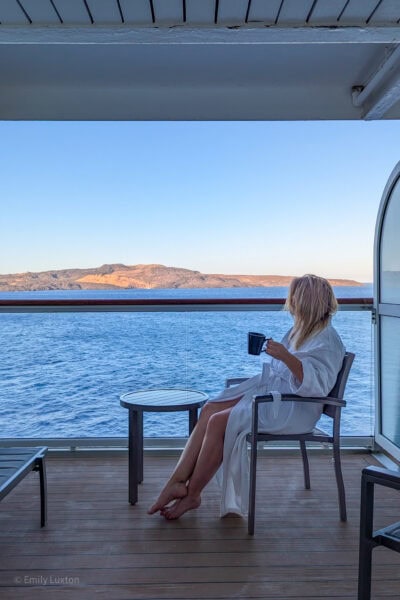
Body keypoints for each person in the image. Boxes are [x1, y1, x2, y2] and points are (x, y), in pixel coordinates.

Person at [148, 274, 346, 520]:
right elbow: (289, 367)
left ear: (306, 301)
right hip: (279, 397)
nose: (290, 304)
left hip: (295, 409)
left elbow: (317, 386)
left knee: (219, 421)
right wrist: (280, 354)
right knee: (210, 408)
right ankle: (177, 480)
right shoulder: (303, 330)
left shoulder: (327, 340)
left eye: (294, 298)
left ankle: (193, 494)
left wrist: (285, 356)